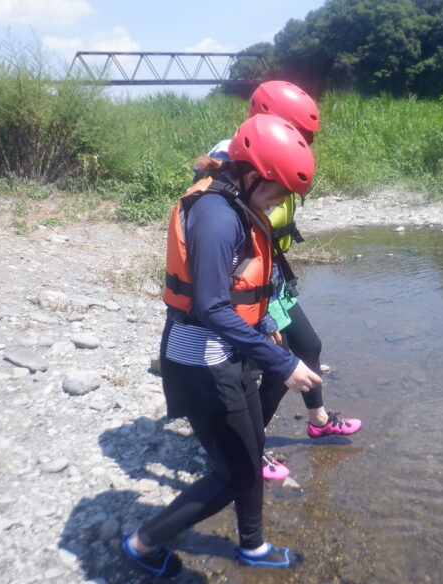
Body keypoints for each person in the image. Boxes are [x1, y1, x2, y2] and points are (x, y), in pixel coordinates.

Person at [120, 113, 321, 578]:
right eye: (278, 191)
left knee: (249, 458)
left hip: (228, 353)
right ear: (252, 174)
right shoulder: (214, 215)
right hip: (202, 362)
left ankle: (252, 546)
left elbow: (239, 287)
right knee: (234, 473)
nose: (280, 202)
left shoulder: (234, 200)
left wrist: (266, 321)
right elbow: (210, 306)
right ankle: (140, 543)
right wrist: (283, 361)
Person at [204, 81, 361, 481]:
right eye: (297, 133)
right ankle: (247, 448)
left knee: (309, 345)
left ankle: (319, 419)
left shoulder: (271, 162)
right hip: (252, 280)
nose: (301, 142)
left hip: (273, 275)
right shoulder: (239, 165)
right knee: (278, 368)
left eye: (305, 137)